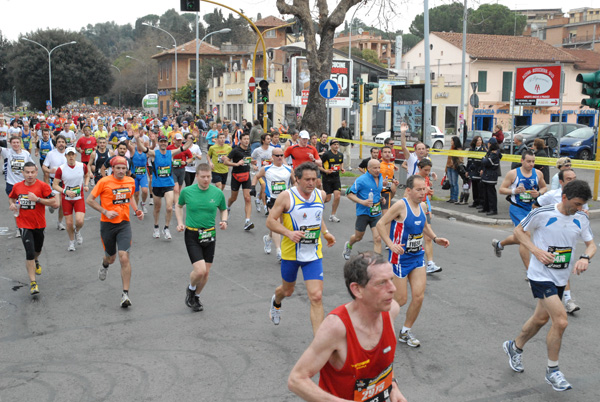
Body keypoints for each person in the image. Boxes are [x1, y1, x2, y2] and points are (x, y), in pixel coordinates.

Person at [502, 179, 595, 392]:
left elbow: (591, 245)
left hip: (561, 277)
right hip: (540, 275)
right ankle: (553, 371)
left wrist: (585, 258)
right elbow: (518, 231)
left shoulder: (580, 218)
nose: (581, 209)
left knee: (541, 318)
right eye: (578, 204)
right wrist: (535, 251)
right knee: (561, 321)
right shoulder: (542, 213)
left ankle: (514, 347)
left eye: (583, 205)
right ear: (564, 198)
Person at [288, 252, 407, 402]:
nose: (393, 288)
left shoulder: (391, 311)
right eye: (381, 283)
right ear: (357, 289)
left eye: (391, 279)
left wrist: (393, 386)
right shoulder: (336, 327)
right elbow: (296, 380)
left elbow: (383, 362)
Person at [376, 175, 450, 347]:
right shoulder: (401, 205)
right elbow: (381, 224)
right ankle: (377, 322)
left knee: (418, 296)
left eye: (424, 189)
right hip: (400, 259)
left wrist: (435, 238)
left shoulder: (423, 206)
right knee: (400, 300)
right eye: (418, 189)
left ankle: (405, 332)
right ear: (408, 190)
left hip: (417, 257)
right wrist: (390, 244)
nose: (422, 192)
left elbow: (424, 226)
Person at [266, 162, 336, 335]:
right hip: (291, 254)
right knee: (287, 291)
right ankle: (276, 301)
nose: (311, 183)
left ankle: (319, 343)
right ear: (297, 179)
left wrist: (326, 232)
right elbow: (270, 221)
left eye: (314, 179)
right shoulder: (286, 196)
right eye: (307, 179)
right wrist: (288, 233)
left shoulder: (320, 194)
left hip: (313, 254)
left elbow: (318, 217)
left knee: (316, 296)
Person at [87, 156, 144, 308]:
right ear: (112, 169)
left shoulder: (130, 181)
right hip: (107, 225)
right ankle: (104, 265)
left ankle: (125, 294)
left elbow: (130, 195)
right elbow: (90, 200)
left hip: (124, 224)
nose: (120, 171)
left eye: (123, 168)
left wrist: (136, 210)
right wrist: (104, 211)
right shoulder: (104, 182)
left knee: (123, 257)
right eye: (117, 168)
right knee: (111, 258)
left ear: (127, 169)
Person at [176, 163, 228, 312]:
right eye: (203, 177)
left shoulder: (217, 193)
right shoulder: (187, 191)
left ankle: (196, 297)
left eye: (209, 176)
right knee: (199, 271)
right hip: (192, 234)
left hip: (210, 234)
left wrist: (224, 220)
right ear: (197, 176)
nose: (206, 179)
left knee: (206, 272)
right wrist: (180, 222)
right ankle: (191, 288)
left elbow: (223, 210)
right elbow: (179, 206)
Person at [534, 168, 586, 314]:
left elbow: (582, 213)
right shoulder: (552, 195)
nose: (573, 181)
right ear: (561, 182)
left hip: (567, 239)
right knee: (559, 320)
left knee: (541, 317)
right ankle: (568, 301)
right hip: (551, 242)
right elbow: (535, 207)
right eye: (569, 179)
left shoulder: (579, 196)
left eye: (574, 177)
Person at [8, 162, 60, 295]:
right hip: (23, 224)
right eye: (27, 172)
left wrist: (38, 199)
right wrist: (13, 205)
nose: (30, 175)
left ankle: (36, 260)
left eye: (32, 172)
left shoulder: (42, 186)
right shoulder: (17, 186)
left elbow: (53, 202)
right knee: (29, 252)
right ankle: (33, 283)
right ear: (23, 173)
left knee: (37, 250)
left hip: (39, 224)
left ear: (36, 173)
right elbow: (12, 198)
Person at [493, 150, 547, 267]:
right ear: (522, 161)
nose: (531, 164)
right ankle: (529, 271)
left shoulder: (538, 173)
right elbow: (502, 189)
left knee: (520, 238)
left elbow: (544, 188)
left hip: (531, 209)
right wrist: (514, 191)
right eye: (528, 161)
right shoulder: (513, 174)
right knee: (526, 235)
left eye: (533, 161)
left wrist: (538, 193)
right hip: (517, 208)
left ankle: (499, 244)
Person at [135, 132, 193, 240]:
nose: (163, 143)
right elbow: (144, 149)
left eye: (165, 141)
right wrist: (138, 139)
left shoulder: (171, 153)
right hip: (157, 185)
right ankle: (156, 227)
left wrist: (192, 139)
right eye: (161, 141)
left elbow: (184, 147)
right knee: (157, 208)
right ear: (159, 143)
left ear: (167, 143)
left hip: (168, 184)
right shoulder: (154, 153)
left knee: (169, 207)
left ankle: (166, 228)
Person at [255, 147, 293, 261]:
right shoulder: (266, 169)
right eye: (277, 155)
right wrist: (253, 187)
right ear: (273, 157)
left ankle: (267, 238)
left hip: (285, 200)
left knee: (278, 224)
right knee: (276, 223)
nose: (280, 157)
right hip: (272, 199)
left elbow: (295, 182)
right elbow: (256, 176)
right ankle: (279, 251)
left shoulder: (288, 169)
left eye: (282, 155)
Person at [343, 159, 383, 260]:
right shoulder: (361, 180)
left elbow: (376, 191)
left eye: (379, 167)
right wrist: (362, 202)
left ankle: (376, 263)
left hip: (376, 213)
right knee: (358, 237)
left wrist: (380, 199)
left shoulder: (381, 177)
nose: (377, 170)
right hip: (363, 213)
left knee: (378, 238)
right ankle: (349, 245)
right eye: (375, 168)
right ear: (368, 168)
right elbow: (349, 193)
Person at [52, 147, 90, 251]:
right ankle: (71, 242)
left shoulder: (82, 166)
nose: (71, 157)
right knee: (69, 223)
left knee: (79, 221)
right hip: (66, 199)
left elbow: (87, 175)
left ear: (75, 155)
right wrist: (65, 191)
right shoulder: (61, 169)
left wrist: (86, 184)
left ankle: (77, 231)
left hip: (79, 198)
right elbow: (55, 185)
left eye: (73, 154)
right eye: (69, 155)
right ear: (66, 156)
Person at [223, 132, 255, 231]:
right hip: (236, 176)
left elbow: (249, 160)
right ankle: (228, 207)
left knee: (248, 198)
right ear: (240, 140)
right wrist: (236, 164)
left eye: (248, 139)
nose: (246, 141)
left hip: (246, 176)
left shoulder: (249, 149)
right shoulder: (235, 150)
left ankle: (247, 221)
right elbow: (226, 161)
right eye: (244, 139)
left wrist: (253, 164)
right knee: (233, 198)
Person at [416, 159, 443, 274]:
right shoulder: (415, 179)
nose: (427, 172)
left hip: (425, 209)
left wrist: (429, 208)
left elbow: (427, 197)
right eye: (425, 170)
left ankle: (430, 263)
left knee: (428, 237)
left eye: (429, 170)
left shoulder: (426, 178)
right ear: (419, 168)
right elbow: (407, 196)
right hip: (415, 209)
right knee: (415, 237)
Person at [319, 139, 344, 223]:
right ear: (331, 146)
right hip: (327, 178)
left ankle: (332, 215)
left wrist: (342, 169)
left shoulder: (340, 155)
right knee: (328, 198)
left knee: (337, 196)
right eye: (334, 144)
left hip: (336, 178)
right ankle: (316, 205)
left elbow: (341, 163)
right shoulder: (326, 154)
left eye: (337, 144)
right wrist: (325, 171)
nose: (336, 146)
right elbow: (319, 165)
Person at [167, 132, 193, 206]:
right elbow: (165, 155)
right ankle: (176, 204)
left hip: (181, 170)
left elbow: (191, 158)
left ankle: (174, 200)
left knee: (179, 189)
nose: (179, 142)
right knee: (176, 188)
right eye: (177, 140)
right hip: (173, 169)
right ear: (174, 140)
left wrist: (185, 162)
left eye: (180, 140)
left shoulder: (184, 148)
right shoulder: (169, 148)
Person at [479, 141, 502, 215]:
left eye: (489, 144)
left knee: (491, 194)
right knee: (485, 193)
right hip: (486, 176)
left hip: (491, 177)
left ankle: (493, 209)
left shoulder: (495, 155)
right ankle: (486, 208)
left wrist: (484, 158)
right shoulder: (490, 154)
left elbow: (485, 161)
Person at [379, 145, 399, 214]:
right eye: (385, 152)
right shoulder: (378, 164)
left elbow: (390, 177)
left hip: (386, 191)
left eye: (389, 152)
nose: (387, 154)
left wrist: (394, 180)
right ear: (381, 154)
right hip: (377, 191)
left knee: (386, 216)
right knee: (374, 217)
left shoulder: (391, 164)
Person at [466, 135, 485, 209]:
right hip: (473, 171)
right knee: (474, 187)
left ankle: (481, 202)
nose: (479, 142)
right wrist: (467, 170)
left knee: (480, 187)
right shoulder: (471, 149)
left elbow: (484, 161)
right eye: (478, 140)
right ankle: (475, 201)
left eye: (480, 140)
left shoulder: (483, 150)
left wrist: (482, 169)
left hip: (479, 171)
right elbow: (469, 161)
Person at [445, 136, 463, 203]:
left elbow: (461, 159)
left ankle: (455, 197)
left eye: (452, 140)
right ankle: (451, 197)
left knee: (454, 183)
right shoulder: (451, 149)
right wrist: (446, 168)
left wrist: (455, 165)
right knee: (451, 183)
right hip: (449, 167)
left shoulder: (459, 150)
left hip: (454, 168)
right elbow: (448, 159)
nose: (451, 142)